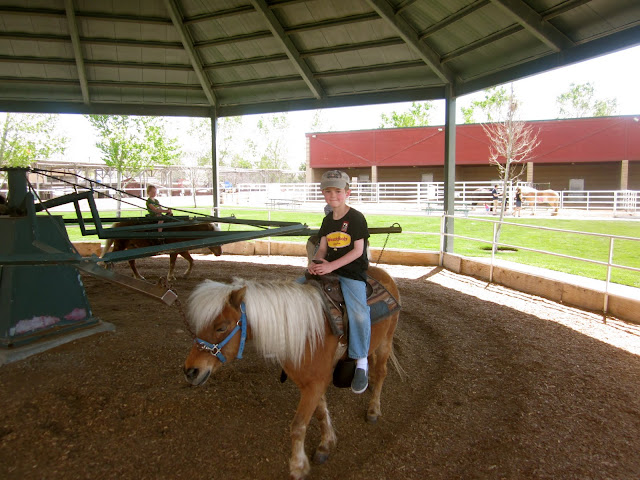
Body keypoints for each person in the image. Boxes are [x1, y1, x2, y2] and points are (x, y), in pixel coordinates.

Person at [308, 170, 371, 394]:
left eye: (338, 191)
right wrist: (316, 262)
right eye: (328, 191)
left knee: (358, 312)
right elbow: (323, 248)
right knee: (297, 288)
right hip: (329, 268)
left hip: (351, 272)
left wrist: (331, 266)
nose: (333, 195)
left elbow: (358, 251)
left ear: (347, 193)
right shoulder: (328, 220)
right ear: (323, 194)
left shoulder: (356, 218)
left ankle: (361, 361)